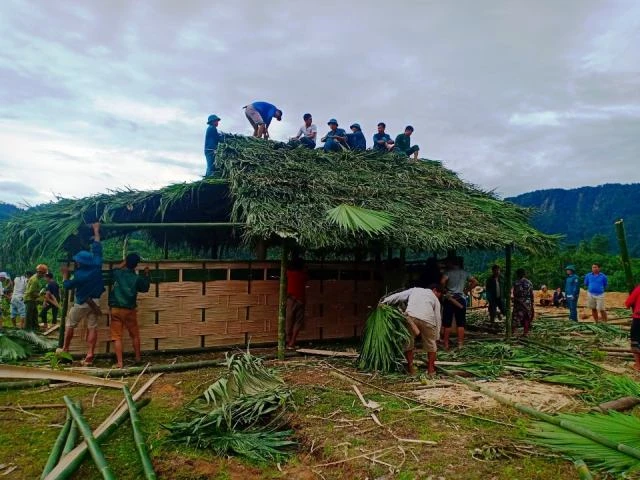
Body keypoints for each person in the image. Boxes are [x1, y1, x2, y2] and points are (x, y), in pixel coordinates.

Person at [60, 223, 105, 366]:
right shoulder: (97, 264)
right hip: (95, 302)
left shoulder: (79, 276)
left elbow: (67, 286)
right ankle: (90, 354)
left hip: (82, 303)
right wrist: (96, 230)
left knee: (70, 324)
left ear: (80, 263)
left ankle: (66, 348)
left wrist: (65, 275)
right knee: (92, 327)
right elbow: (97, 246)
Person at [381, 284, 443, 375]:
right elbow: (438, 317)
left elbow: (398, 296)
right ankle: (430, 370)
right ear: (435, 290)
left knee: (408, 343)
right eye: (439, 294)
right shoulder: (435, 298)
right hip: (428, 320)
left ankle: (411, 368)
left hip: (411, 317)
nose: (438, 296)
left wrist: (384, 301)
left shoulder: (415, 290)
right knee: (431, 345)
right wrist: (437, 335)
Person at [109, 253, 151, 368]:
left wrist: (123, 263)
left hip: (116, 309)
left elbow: (114, 269)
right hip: (129, 310)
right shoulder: (136, 278)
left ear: (126, 262)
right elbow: (145, 288)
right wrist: (147, 274)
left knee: (117, 336)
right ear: (136, 265)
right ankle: (137, 358)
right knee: (134, 335)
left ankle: (120, 363)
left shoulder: (118, 273)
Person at [443, 256, 477, 350]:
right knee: (461, 323)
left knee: (447, 323)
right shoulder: (465, 273)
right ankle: (460, 344)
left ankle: (446, 344)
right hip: (461, 298)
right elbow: (475, 281)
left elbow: (442, 281)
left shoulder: (448, 273)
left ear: (451, 263)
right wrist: (466, 290)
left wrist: (445, 289)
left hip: (450, 298)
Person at [285, 256, 308, 349]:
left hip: (291, 299)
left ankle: (289, 341)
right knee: (298, 322)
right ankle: (292, 342)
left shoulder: (289, 273)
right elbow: (307, 278)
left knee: (289, 320)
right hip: (301, 300)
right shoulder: (304, 274)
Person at [24, 264, 48, 330]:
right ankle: (28, 331)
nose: (44, 276)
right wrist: (40, 295)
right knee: (29, 316)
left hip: (32, 299)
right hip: (29, 299)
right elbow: (31, 293)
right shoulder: (35, 280)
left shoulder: (35, 278)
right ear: (40, 272)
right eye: (44, 274)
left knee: (35, 314)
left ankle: (35, 328)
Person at [513, 268, 535, 336]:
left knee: (515, 317)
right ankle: (525, 332)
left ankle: (512, 332)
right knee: (526, 317)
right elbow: (531, 294)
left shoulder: (516, 283)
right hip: (527, 302)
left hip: (519, 302)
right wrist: (532, 303)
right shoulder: (529, 282)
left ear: (518, 274)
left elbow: (515, 293)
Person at [624, 284, 640, 371]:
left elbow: (628, 303)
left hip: (638, 319)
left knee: (635, 341)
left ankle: (638, 365)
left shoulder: (638, 288)